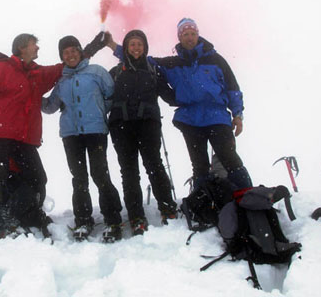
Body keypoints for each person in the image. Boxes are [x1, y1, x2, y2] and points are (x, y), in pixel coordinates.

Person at [106, 18, 252, 194]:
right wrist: (113, 45)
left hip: (217, 117)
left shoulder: (215, 60)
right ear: (180, 37)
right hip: (191, 120)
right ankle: (205, 204)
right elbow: (138, 58)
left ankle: (250, 197)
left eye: (192, 34)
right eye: (185, 34)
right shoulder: (172, 63)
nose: (189, 38)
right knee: (199, 165)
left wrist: (237, 114)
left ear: (198, 35)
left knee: (229, 158)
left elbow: (232, 87)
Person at [0, 33, 64, 240]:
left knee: (37, 178)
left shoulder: (37, 74)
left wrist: (91, 49)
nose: (37, 48)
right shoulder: (0, 69)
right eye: (34, 45)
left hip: (25, 139)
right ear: (22, 47)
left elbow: (61, 68)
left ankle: (18, 215)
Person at [42, 35, 123, 243]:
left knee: (100, 175)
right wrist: (31, 95)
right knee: (79, 179)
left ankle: (113, 220)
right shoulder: (62, 80)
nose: (70, 55)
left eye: (73, 50)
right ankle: (83, 220)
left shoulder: (96, 72)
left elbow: (111, 95)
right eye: (65, 52)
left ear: (80, 51)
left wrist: (99, 112)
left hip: (95, 131)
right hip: (71, 134)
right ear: (62, 56)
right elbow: (50, 106)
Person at [106, 29, 178, 235]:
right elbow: (101, 94)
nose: (136, 48)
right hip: (121, 127)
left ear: (145, 47)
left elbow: (170, 97)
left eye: (139, 44)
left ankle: (167, 208)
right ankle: (136, 216)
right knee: (129, 172)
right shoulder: (116, 71)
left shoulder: (153, 69)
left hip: (148, 125)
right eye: (132, 44)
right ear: (126, 48)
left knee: (154, 165)